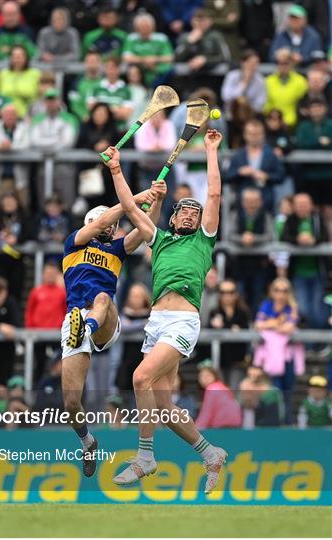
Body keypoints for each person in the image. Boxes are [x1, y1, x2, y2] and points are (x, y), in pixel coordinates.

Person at [103, 130, 228, 494]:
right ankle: (210, 451)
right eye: (184, 211)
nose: (191, 215)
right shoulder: (158, 239)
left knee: (140, 379)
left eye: (196, 212)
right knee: (161, 406)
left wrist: (210, 150)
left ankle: (145, 456)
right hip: (156, 323)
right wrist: (115, 170)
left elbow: (215, 193)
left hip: (183, 321)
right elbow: (130, 209)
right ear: (172, 218)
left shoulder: (204, 240)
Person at [60, 180, 165, 477]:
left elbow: (146, 229)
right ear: (91, 222)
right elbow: (105, 219)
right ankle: (87, 440)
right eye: (105, 221)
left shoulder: (117, 250)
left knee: (103, 297)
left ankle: (87, 328)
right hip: (74, 318)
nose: (111, 226)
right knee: (70, 401)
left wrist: (154, 201)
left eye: (113, 222)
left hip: (104, 321)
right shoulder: (75, 241)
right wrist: (132, 200)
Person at [254, 277, 304, 423]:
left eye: (284, 290)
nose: (280, 293)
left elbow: (289, 328)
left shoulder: (292, 307)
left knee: (287, 394)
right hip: (270, 358)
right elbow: (258, 324)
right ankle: (275, 424)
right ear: (272, 291)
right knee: (273, 393)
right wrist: (277, 322)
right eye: (277, 290)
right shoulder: (266, 305)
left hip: (287, 358)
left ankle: (287, 425)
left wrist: (270, 324)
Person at [281, 193, 329, 329]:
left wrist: (314, 240)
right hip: (298, 273)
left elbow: (325, 237)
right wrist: (298, 240)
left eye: (305, 204)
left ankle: (319, 344)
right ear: (294, 207)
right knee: (303, 309)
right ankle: (308, 345)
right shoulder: (290, 220)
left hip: (318, 273)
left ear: (311, 205)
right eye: (299, 205)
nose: (302, 207)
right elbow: (284, 237)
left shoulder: (318, 219)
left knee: (318, 309)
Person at [228, 187, 274, 313]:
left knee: (258, 296)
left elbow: (270, 236)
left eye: (254, 201)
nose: (251, 204)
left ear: (260, 202)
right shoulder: (236, 214)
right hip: (239, 264)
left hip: (260, 264)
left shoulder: (266, 216)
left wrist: (254, 239)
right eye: (248, 201)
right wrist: (242, 239)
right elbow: (230, 235)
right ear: (243, 202)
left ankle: (255, 322)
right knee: (240, 295)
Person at [225, 118, 285, 212]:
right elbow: (227, 176)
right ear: (245, 135)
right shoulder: (239, 155)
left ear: (263, 134)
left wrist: (267, 176)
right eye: (251, 134)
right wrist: (240, 172)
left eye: (257, 134)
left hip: (266, 202)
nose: (254, 137)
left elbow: (280, 176)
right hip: (242, 203)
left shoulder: (271, 154)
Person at [0, 192, 31, 301]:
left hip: (17, 261)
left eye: (11, 202)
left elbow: (30, 234)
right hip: (0, 261)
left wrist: (17, 239)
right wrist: (0, 236)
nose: (9, 204)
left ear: (17, 203)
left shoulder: (23, 218)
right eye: (6, 202)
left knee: (16, 292)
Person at [25, 262, 67, 381]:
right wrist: (30, 328)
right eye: (47, 273)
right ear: (43, 275)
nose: (50, 276)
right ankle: (37, 389)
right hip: (38, 335)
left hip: (56, 336)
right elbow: (29, 311)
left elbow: (65, 311)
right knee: (39, 364)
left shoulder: (62, 292)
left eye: (52, 273)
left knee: (56, 364)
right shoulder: (36, 291)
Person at [208, 279, 250, 390]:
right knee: (219, 392)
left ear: (236, 294)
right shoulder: (215, 311)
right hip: (219, 360)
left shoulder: (243, 312)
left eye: (230, 292)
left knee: (234, 392)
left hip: (237, 360)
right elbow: (207, 333)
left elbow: (247, 334)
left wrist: (224, 327)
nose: (227, 296)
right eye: (223, 292)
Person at [115, 282, 152, 405]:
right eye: (133, 296)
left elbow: (152, 326)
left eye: (138, 296)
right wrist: (143, 324)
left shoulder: (151, 314)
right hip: (127, 360)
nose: (135, 299)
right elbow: (124, 327)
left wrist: (136, 325)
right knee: (125, 393)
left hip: (145, 359)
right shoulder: (125, 313)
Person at [295, 97, 332, 208]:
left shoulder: (330, 124)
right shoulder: (303, 126)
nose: (316, 110)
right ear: (308, 110)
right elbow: (301, 144)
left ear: (325, 109)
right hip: (309, 174)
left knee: (329, 207)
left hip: (329, 174)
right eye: (313, 107)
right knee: (312, 207)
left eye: (319, 107)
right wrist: (319, 142)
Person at [122, 13, 174, 87]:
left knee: (168, 69)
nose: (144, 29)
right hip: (139, 67)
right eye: (142, 27)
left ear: (152, 27)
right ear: (136, 28)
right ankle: (137, 92)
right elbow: (126, 57)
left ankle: (158, 90)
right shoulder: (131, 38)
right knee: (132, 70)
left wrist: (155, 59)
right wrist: (145, 60)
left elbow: (169, 57)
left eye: (147, 26)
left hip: (157, 66)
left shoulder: (161, 38)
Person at [264, 48, 308, 130]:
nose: (283, 66)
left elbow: (302, 104)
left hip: (294, 123)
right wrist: (272, 119)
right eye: (280, 63)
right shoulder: (268, 81)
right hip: (272, 123)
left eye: (286, 63)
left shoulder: (301, 81)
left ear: (291, 63)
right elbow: (266, 105)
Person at [134, 109, 177, 192]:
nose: (157, 118)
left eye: (159, 116)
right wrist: (155, 148)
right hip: (147, 168)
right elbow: (140, 145)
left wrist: (158, 147)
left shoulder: (169, 124)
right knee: (147, 195)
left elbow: (171, 144)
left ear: (164, 116)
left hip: (165, 168)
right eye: (154, 116)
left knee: (168, 194)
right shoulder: (144, 125)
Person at [221, 49, 266, 122]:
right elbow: (226, 98)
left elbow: (260, 103)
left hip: (252, 116)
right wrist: (244, 83)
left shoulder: (260, 80)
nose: (253, 66)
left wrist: (246, 109)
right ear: (242, 63)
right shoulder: (232, 76)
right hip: (232, 116)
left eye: (256, 63)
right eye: (250, 63)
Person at [89, 57, 133, 131]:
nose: (110, 71)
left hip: (118, 129)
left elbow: (126, 114)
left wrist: (104, 111)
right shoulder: (96, 88)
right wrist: (115, 110)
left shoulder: (126, 90)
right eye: (108, 68)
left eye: (113, 67)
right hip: (99, 130)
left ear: (118, 69)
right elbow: (91, 110)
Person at [195, 361, 242, 429]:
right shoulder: (223, 386)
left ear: (215, 376)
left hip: (221, 427)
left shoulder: (211, 388)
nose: (204, 379)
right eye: (201, 376)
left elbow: (206, 413)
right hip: (235, 425)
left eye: (207, 375)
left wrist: (195, 429)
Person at [0, 45, 40, 117]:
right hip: (6, 113)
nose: (17, 59)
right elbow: (1, 95)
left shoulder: (35, 73)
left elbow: (32, 94)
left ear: (26, 58)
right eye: (14, 56)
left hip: (28, 113)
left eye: (20, 56)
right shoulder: (3, 73)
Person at [68, 50, 103, 121]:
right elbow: (74, 104)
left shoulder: (105, 82)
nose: (92, 64)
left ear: (100, 63)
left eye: (94, 61)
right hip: (83, 123)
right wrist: (84, 116)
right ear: (85, 63)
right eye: (89, 61)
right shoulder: (76, 83)